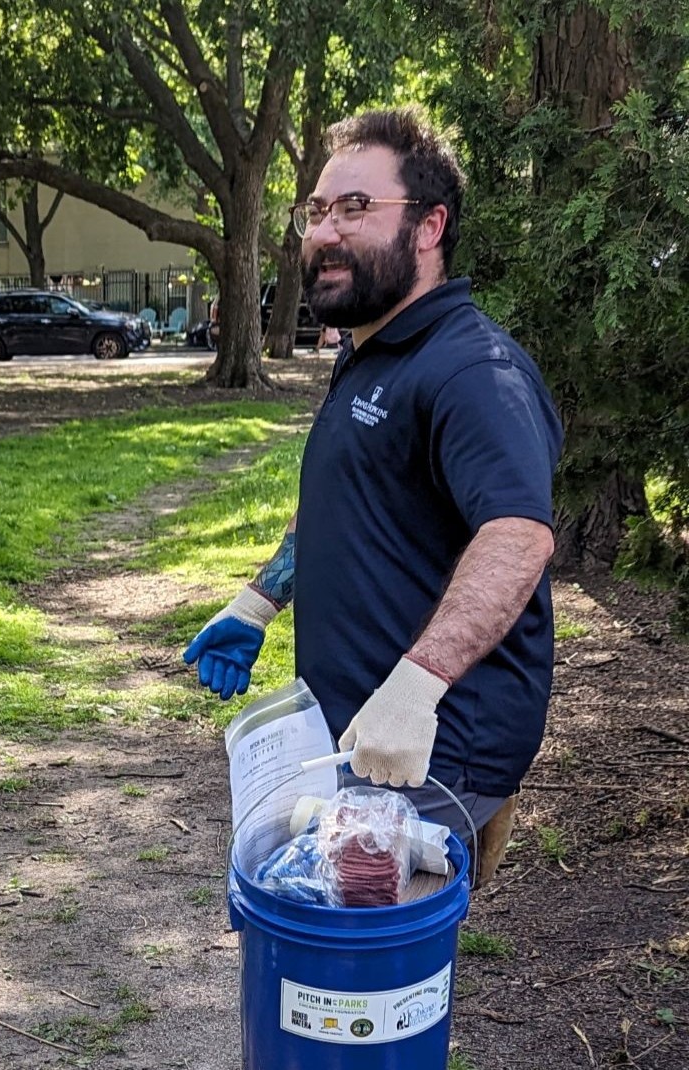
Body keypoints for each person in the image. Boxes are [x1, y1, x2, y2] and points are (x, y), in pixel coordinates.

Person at [183, 108, 562, 885]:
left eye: (356, 208)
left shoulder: (473, 371)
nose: (323, 231)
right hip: (356, 738)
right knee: (326, 984)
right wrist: (260, 600)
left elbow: (518, 535)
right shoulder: (371, 350)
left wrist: (417, 688)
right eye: (316, 212)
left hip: (426, 751)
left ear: (429, 227)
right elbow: (347, 497)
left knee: (361, 989)